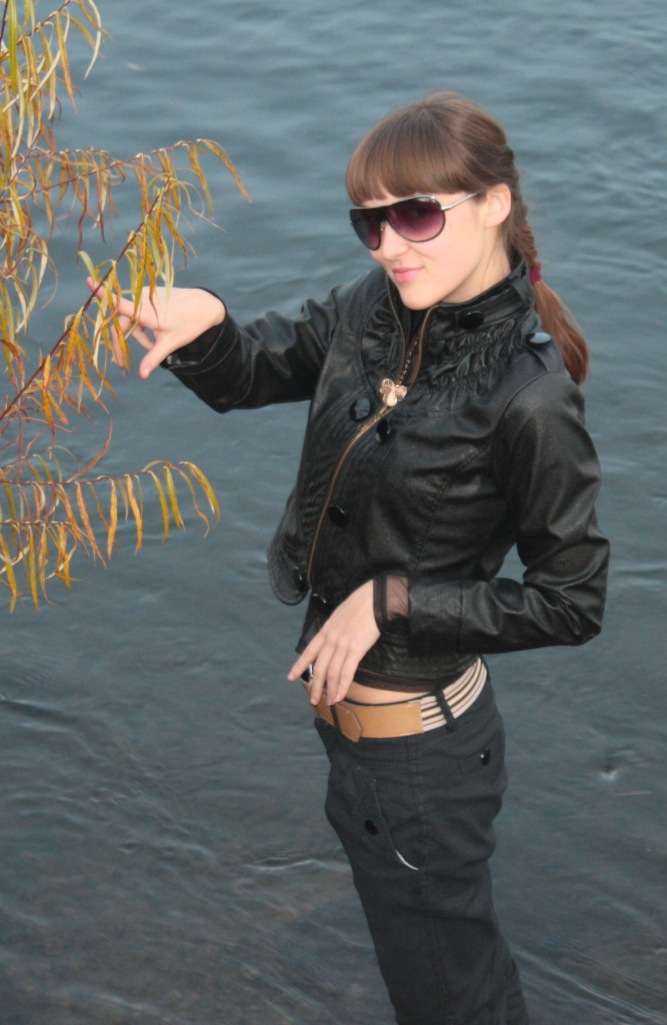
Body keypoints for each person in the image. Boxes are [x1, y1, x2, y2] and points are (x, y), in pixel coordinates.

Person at [95, 91, 609, 1025]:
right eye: (368, 222)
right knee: (441, 981)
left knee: (454, 998)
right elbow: (256, 367)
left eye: (415, 215)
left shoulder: (528, 398)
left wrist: (390, 601)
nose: (387, 245)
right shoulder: (373, 307)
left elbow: (573, 600)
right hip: (363, 742)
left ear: (494, 203)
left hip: (422, 758)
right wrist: (206, 325)